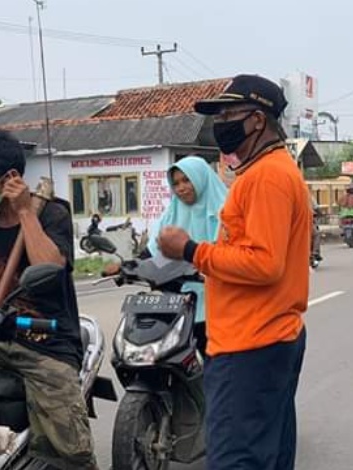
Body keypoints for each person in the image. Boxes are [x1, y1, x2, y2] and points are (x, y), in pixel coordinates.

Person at [157, 75, 309, 470]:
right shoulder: (264, 172)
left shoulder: (267, 177)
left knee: (236, 459)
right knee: (267, 455)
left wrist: (191, 250)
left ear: (257, 120)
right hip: (264, 336)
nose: (220, 123)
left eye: (228, 114)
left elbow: (264, 263)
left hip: (251, 343)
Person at [0, 130, 98, 470]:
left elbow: (50, 269)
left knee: (70, 453)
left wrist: (24, 213)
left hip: (47, 343)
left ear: (10, 179)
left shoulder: (50, 213)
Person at [104, 155, 228, 355]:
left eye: (187, 180)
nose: (181, 188)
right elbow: (153, 254)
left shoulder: (227, 210)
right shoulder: (171, 213)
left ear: (201, 178)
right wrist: (127, 267)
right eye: (176, 183)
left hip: (220, 308)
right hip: (177, 305)